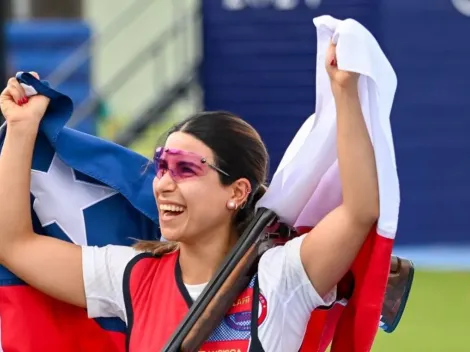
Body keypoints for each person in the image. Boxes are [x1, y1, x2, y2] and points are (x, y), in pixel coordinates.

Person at [0, 43, 384, 351]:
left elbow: (360, 211)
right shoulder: (134, 276)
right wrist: (21, 130)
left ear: (236, 192)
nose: (163, 183)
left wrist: (344, 92)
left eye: (185, 168)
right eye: (161, 166)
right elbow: (14, 245)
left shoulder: (282, 275)